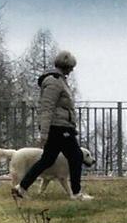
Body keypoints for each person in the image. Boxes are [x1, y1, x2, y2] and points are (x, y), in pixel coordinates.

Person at [17, 50, 93, 201]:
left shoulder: (59, 80)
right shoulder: (53, 81)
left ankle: (21, 188)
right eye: (71, 67)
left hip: (61, 126)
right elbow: (47, 108)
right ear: (66, 65)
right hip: (59, 127)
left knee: (47, 160)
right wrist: (44, 133)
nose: (72, 70)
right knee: (76, 157)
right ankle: (76, 194)